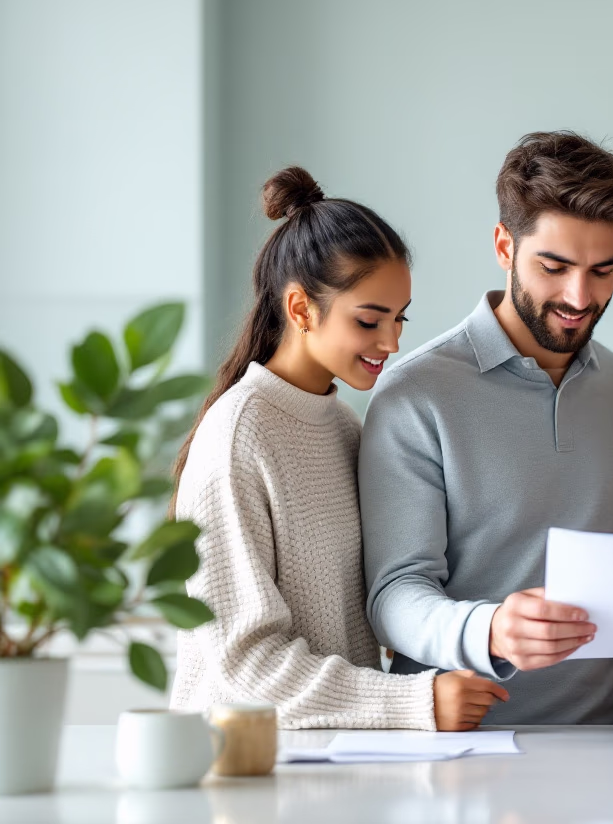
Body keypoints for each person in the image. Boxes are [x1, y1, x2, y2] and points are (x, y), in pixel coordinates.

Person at [171, 166, 507, 730]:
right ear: (301, 309)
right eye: (370, 320)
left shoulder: (344, 428)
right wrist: (414, 703)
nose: (392, 342)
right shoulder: (238, 435)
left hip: (331, 757)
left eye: (399, 319)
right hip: (244, 768)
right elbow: (244, 665)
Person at [359, 131, 613, 724]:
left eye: (604, 270)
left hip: (608, 746)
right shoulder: (414, 396)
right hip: (460, 751)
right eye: (554, 266)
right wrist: (488, 628)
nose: (579, 296)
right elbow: (393, 596)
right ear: (504, 245)